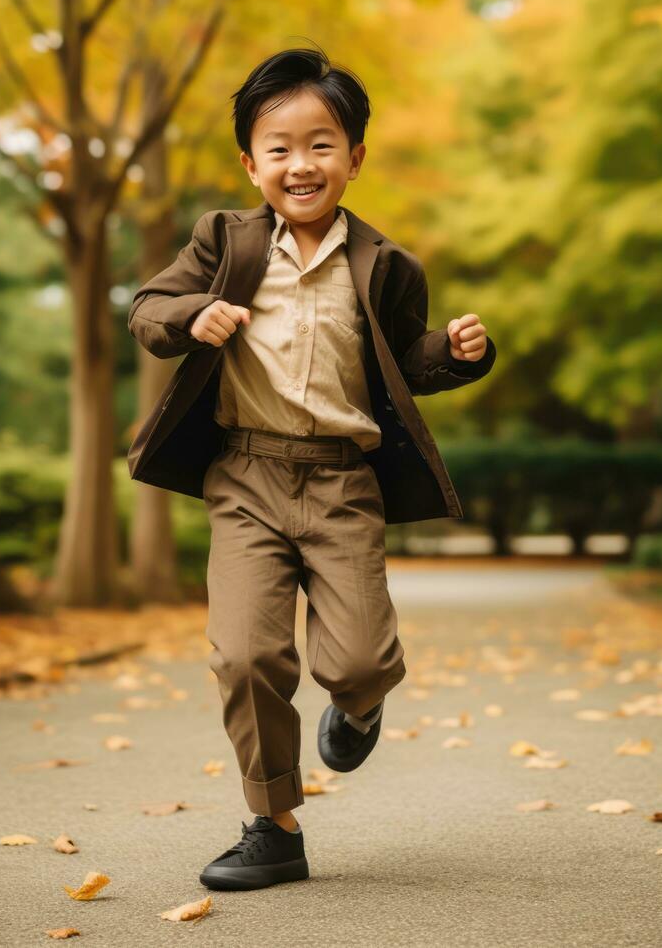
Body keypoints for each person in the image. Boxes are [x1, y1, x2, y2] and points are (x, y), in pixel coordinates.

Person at [127, 45, 496, 892]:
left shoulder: (388, 264)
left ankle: (360, 704)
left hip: (342, 481)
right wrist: (196, 315)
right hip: (246, 477)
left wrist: (458, 353)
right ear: (250, 162)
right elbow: (148, 310)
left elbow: (406, 359)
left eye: (322, 144)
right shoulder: (222, 238)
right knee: (247, 657)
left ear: (355, 158)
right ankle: (273, 825)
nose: (302, 164)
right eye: (280, 147)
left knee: (361, 659)